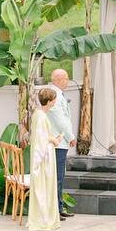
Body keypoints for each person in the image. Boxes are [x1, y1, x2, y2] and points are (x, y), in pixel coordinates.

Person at [26, 87, 60, 231]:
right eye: (54, 100)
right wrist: (53, 140)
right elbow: (41, 141)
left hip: (46, 156)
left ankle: (45, 218)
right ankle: (43, 219)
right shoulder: (40, 116)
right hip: (44, 160)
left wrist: (52, 138)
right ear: (50, 101)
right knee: (44, 188)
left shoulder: (39, 115)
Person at [46, 67, 75, 216]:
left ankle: (59, 207)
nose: (68, 80)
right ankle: (56, 209)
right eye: (66, 78)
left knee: (60, 176)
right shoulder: (54, 95)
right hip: (58, 141)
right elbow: (60, 120)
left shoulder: (58, 94)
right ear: (59, 80)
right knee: (57, 177)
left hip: (60, 141)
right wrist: (71, 137)